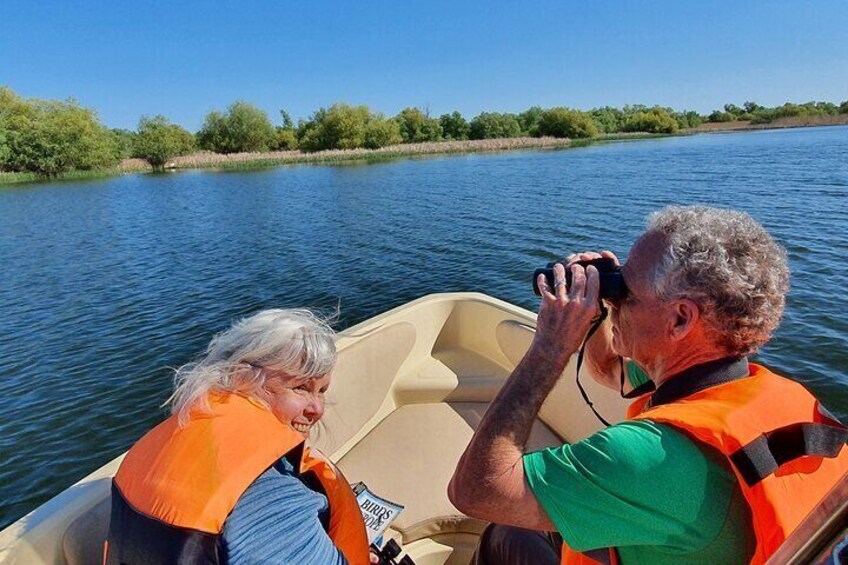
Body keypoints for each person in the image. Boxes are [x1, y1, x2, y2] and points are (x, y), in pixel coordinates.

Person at [449, 205, 848, 564]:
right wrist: (601, 312)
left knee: (503, 534)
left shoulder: (650, 458)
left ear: (679, 320)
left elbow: (474, 489)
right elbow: (610, 371)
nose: (615, 298)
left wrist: (550, 347)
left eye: (626, 292)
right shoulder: (758, 390)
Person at [104, 309, 371, 565]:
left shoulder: (162, 444)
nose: (318, 409)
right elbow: (266, 528)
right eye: (300, 388)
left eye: (322, 390)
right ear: (241, 378)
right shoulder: (273, 500)